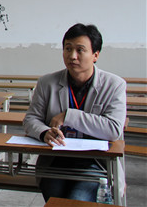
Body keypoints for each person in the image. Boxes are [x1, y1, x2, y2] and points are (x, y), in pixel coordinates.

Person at [23, 23, 126, 202]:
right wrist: (44, 132)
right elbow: (31, 119)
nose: (72, 56)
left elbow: (113, 129)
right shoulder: (47, 83)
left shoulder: (114, 85)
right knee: (56, 199)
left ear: (95, 55)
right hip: (56, 160)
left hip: (95, 162)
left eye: (80, 50)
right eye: (68, 48)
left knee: (77, 198)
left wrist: (69, 116)